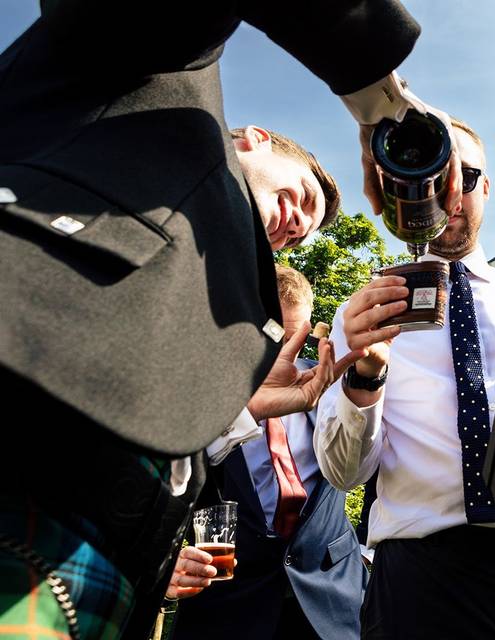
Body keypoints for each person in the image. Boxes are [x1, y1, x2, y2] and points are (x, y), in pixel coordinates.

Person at [0, 1, 460, 637]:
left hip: (104, 555)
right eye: (299, 197)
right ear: (255, 140)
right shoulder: (161, 77)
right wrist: (382, 104)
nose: (296, 226)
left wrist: (249, 408)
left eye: (299, 239)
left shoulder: (231, 310)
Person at [314, 119, 495, 640]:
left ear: (488, 187)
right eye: (432, 179)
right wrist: (366, 373)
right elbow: (343, 473)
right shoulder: (362, 313)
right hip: (421, 579)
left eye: (465, 177)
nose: (449, 193)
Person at [170, 266, 366, 640]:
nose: (283, 354)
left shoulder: (333, 386)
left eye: (295, 338)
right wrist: (165, 564)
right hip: (226, 609)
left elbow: (382, 463)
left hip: (333, 609)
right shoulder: (197, 397)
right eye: (272, 337)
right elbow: (160, 486)